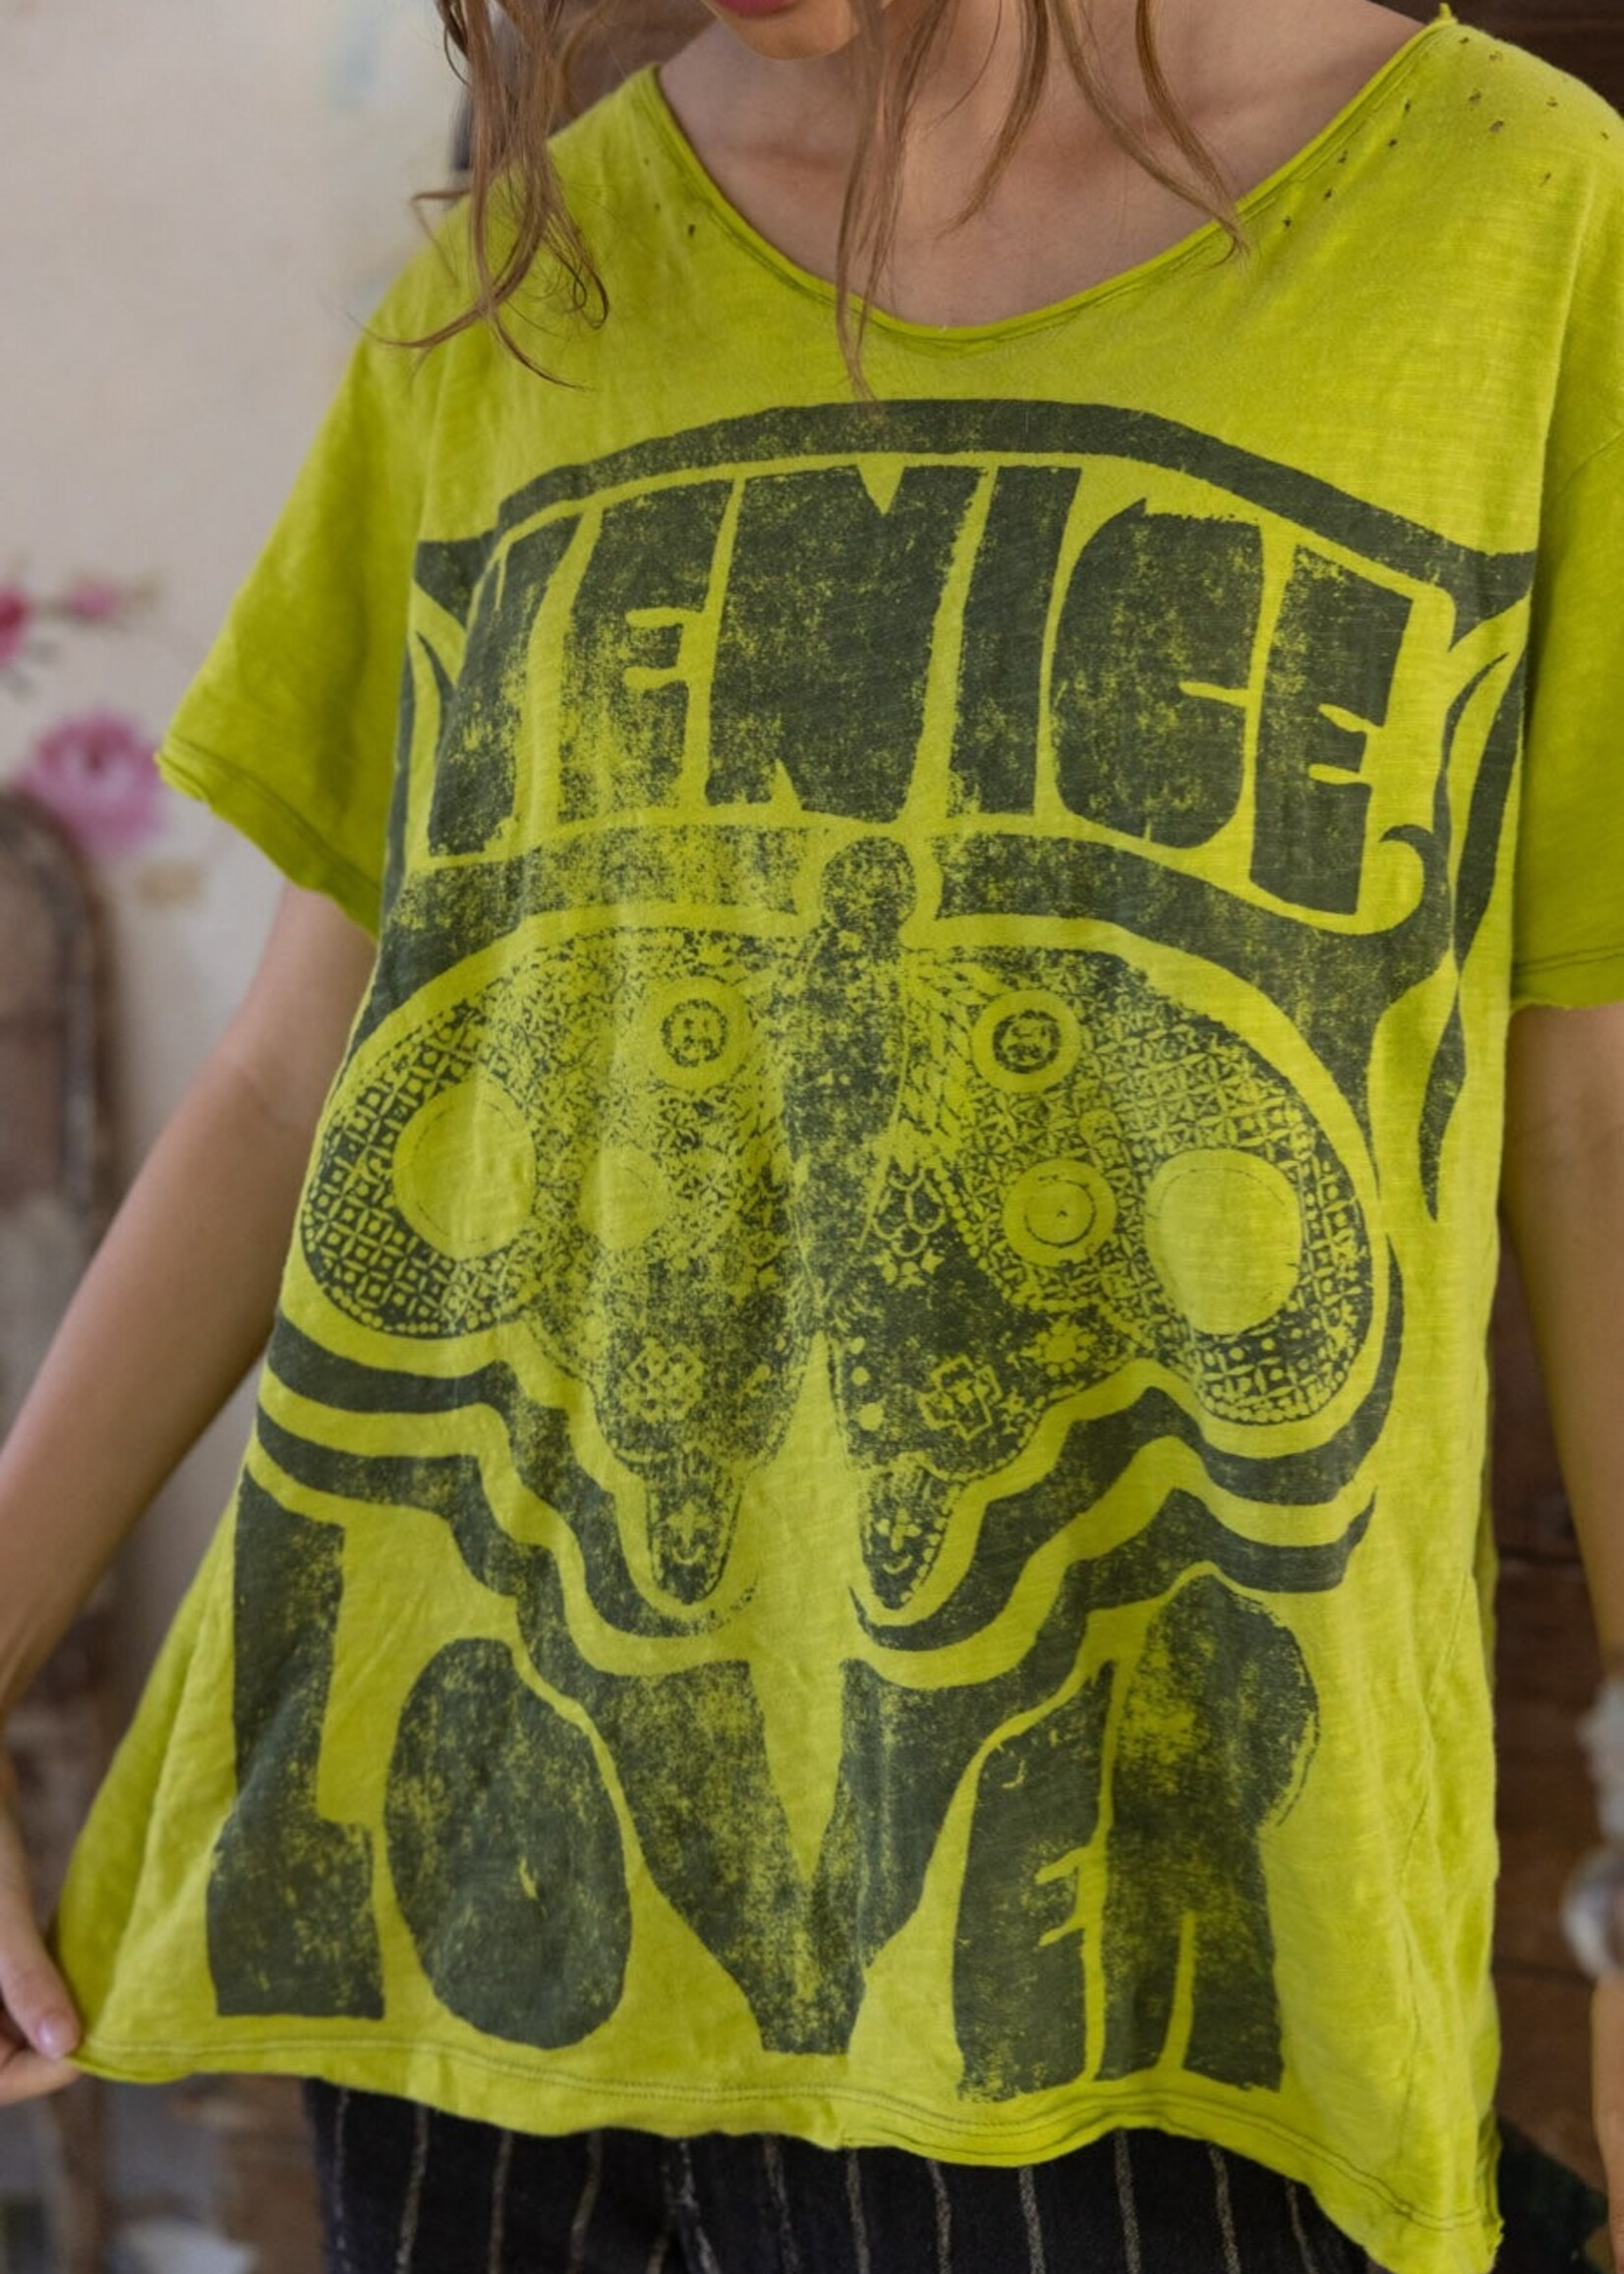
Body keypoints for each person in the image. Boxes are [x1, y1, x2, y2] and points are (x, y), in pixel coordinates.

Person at [2, 0, 1623, 2266]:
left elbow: (1585, 1108)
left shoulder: (1520, 222)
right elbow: (304, 1063)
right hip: (472, 1915)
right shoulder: (526, 275)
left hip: (1150, 1941)